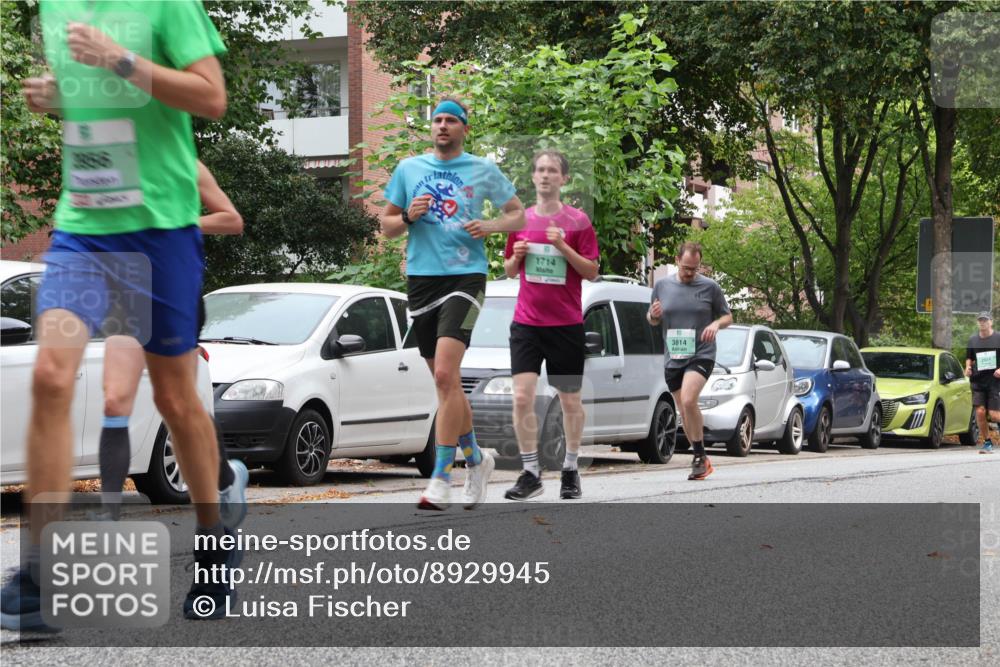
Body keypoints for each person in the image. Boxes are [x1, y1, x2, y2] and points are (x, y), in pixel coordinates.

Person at [2, 0, 237, 631]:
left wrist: (121, 60)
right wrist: (59, 96)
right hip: (84, 227)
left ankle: (215, 538)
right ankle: (41, 571)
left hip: (160, 229)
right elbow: (93, 106)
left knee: (175, 399)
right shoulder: (55, 9)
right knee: (51, 378)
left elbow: (211, 97)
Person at [381, 97, 525, 510]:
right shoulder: (409, 169)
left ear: (464, 128)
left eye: (451, 120)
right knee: (445, 382)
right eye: (437, 120)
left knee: (445, 374)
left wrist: (492, 224)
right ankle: (477, 462)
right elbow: (386, 227)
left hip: (466, 277)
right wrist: (407, 216)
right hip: (422, 280)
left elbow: (518, 215)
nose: (442, 126)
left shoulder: (482, 169)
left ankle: (441, 477)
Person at [99, 161, 246, 522]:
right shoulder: (107, 158)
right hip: (125, 294)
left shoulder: (184, 162)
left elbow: (231, 220)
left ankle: (227, 480)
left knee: (179, 403)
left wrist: (180, 225)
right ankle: (108, 515)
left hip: (174, 292)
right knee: (115, 399)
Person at [501, 150, 599, 501]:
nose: (545, 175)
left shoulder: (578, 222)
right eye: (540, 170)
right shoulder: (520, 219)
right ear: (533, 178)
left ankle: (570, 468)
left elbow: (591, 271)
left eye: (552, 170)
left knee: (570, 401)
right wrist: (518, 257)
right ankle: (530, 472)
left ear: (563, 179)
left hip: (566, 326)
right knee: (522, 397)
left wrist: (561, 246)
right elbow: (510, 271)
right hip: (527, 324)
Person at [648, 242, 733, 480]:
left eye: (694, 269)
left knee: (688, 399)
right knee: (685, 410)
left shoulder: (710, 287)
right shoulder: (662, 286)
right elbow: (652, 320)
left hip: (701, 353)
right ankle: (702, 460)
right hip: (673, 356)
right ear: (677, 260)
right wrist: (653, 316)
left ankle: (698, 456)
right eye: (686, 268)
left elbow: (728, 316)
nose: (689, 273)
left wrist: (716, 324)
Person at [965, 311, 1000, 454]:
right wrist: (967, 367)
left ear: (991, 322)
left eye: (985, 320)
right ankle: (987, 442)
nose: (982, 322)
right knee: (979, 412)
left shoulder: (998, 338)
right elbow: (969, 357)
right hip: (978, 381)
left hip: (994, 381)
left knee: (994, 415)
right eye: (980, 320)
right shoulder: (973, 340)